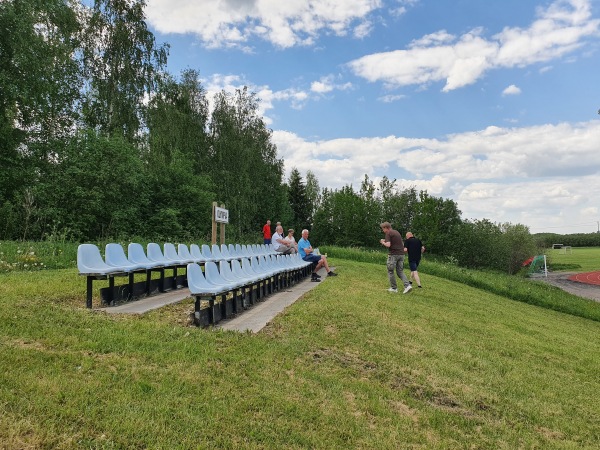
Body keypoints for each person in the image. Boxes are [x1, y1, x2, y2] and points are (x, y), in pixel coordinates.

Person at [379, 222, 411, 294]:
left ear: (386, 228)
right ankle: (407, 285)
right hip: (401, 254)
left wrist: (382, 242)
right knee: (400, 271)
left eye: (383, 229)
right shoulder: (396, 232)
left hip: (393, 255)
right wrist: (386, 241)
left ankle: (394, 288)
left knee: (390, 271)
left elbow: (388, 245)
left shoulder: (388, 233)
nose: (383, 231)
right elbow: (399, 243)